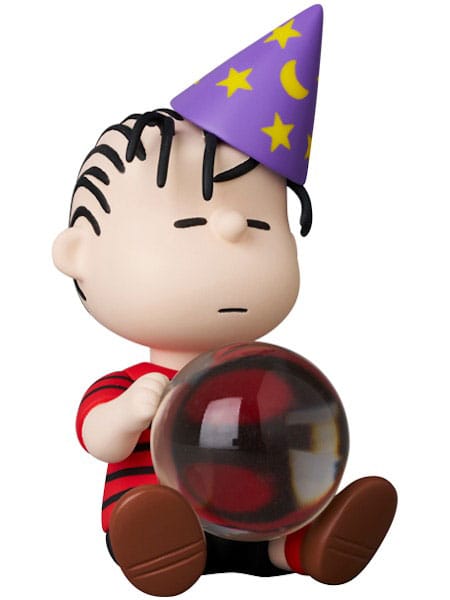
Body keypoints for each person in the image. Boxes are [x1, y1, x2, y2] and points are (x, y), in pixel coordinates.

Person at [52, 6, 396, 597]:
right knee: (151, 516)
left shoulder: (269, 377)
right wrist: (130, 412)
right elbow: (98, 438)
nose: (234, 228)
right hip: (160, 515)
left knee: (276, 532)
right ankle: (160, 547)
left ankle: (304, 544)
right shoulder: (129, 383)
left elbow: (304, 434)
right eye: (188, 225)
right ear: (77, 253)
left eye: (263, 227)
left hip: (256, 513)